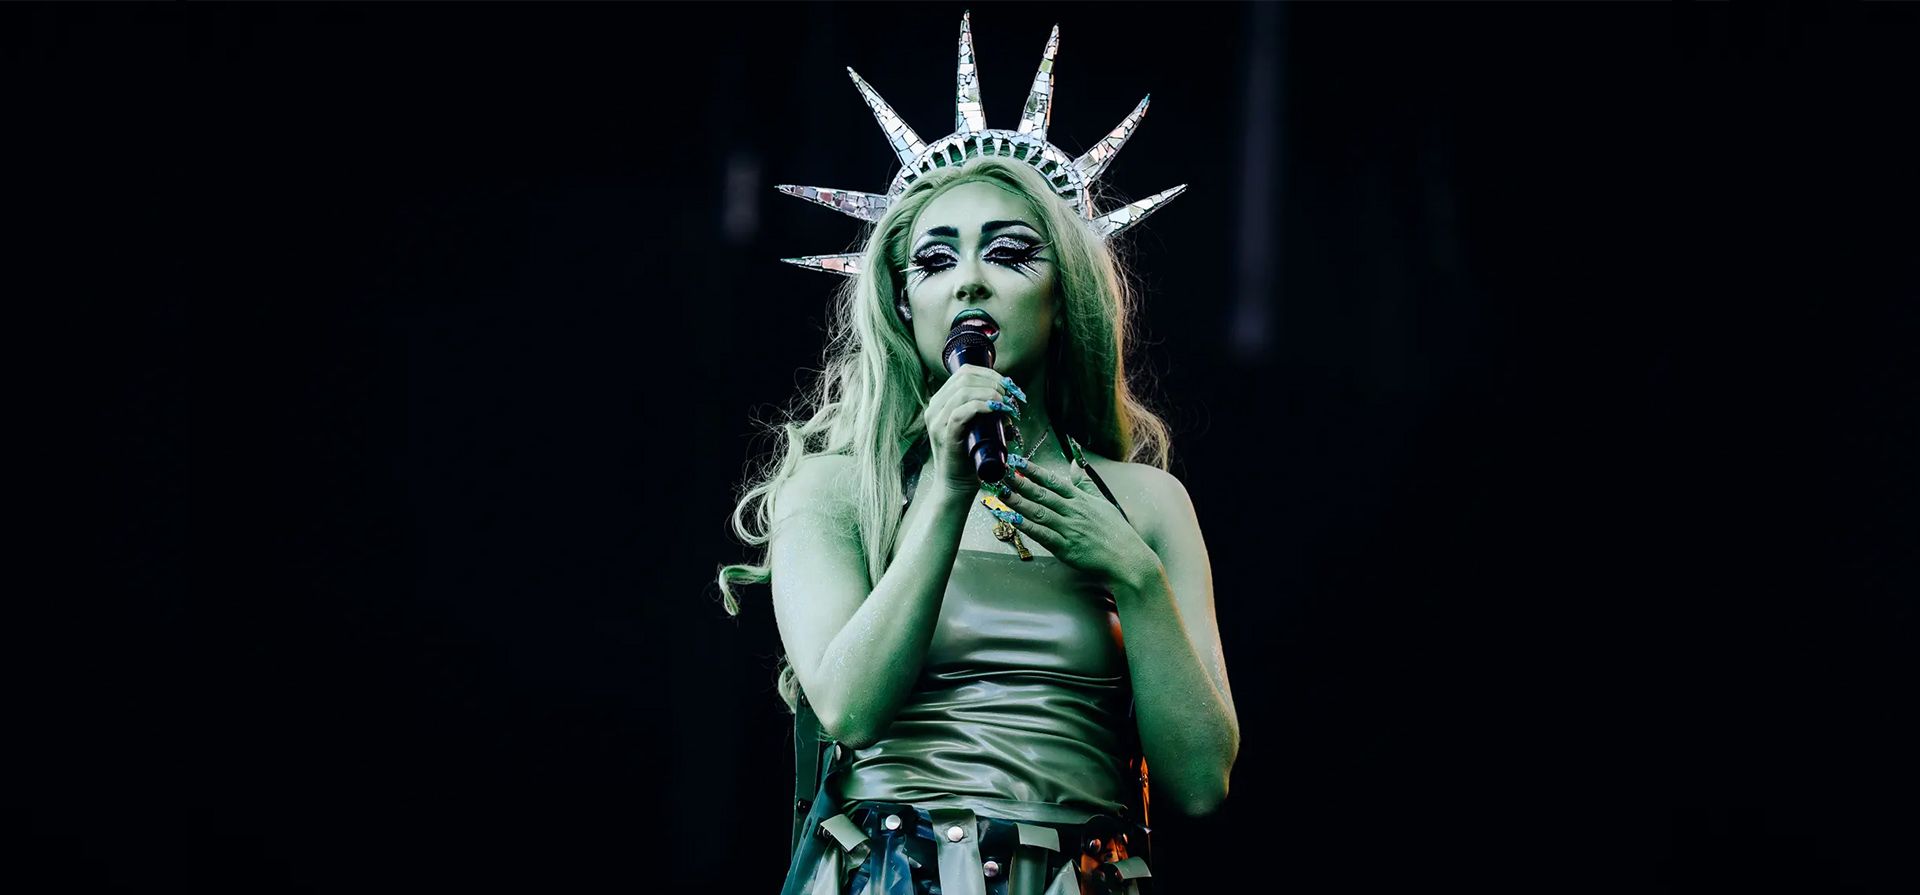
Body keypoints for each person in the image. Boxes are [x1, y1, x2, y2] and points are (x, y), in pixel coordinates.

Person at [718, 15, 1237, 895]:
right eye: (933, 259)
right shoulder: (838, 488)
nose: (969, 280)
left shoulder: (1146, 504)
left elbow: (1198, 782)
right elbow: (849, 704)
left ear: (1060, 291)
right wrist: (946, 488)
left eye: (1008, 252)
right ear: (902, 304)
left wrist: (1135, 576)